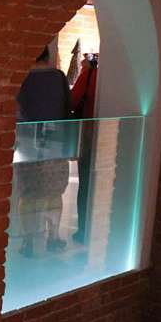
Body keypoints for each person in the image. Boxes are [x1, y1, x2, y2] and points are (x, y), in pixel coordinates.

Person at [14, 46, 72, 257]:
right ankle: (53, 237)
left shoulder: (21, 79)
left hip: (27, 145)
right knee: (55, 192)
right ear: (47, 55)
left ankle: (28, 241)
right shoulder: (59, 77)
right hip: (56, 144)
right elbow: (68, 109)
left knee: (28, 194)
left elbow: (17, 112)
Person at [70, 55, 98, 245]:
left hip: (88, 136)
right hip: (111, 137)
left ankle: (83, 230)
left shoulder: (88, 75)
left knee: (86, 184)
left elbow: (72, 101)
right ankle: (100, 231)